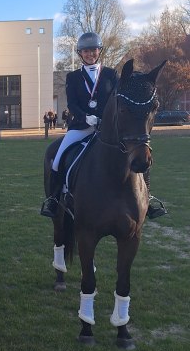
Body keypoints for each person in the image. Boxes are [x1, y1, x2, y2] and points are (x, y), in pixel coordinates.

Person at [40, 32, 166, 219]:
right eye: (86, 51)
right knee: (57, 157)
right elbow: (72, 104)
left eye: (93, 50)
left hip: (107, 128)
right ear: (80, 54)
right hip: (81, 127)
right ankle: (53, 199)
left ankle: (148, 198)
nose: (90, 54)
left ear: (99, 51)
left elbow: (116, 101)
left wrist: (104, 119)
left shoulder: (110, 74)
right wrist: (86, 117)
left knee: (140, 153)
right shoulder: (73, 77)